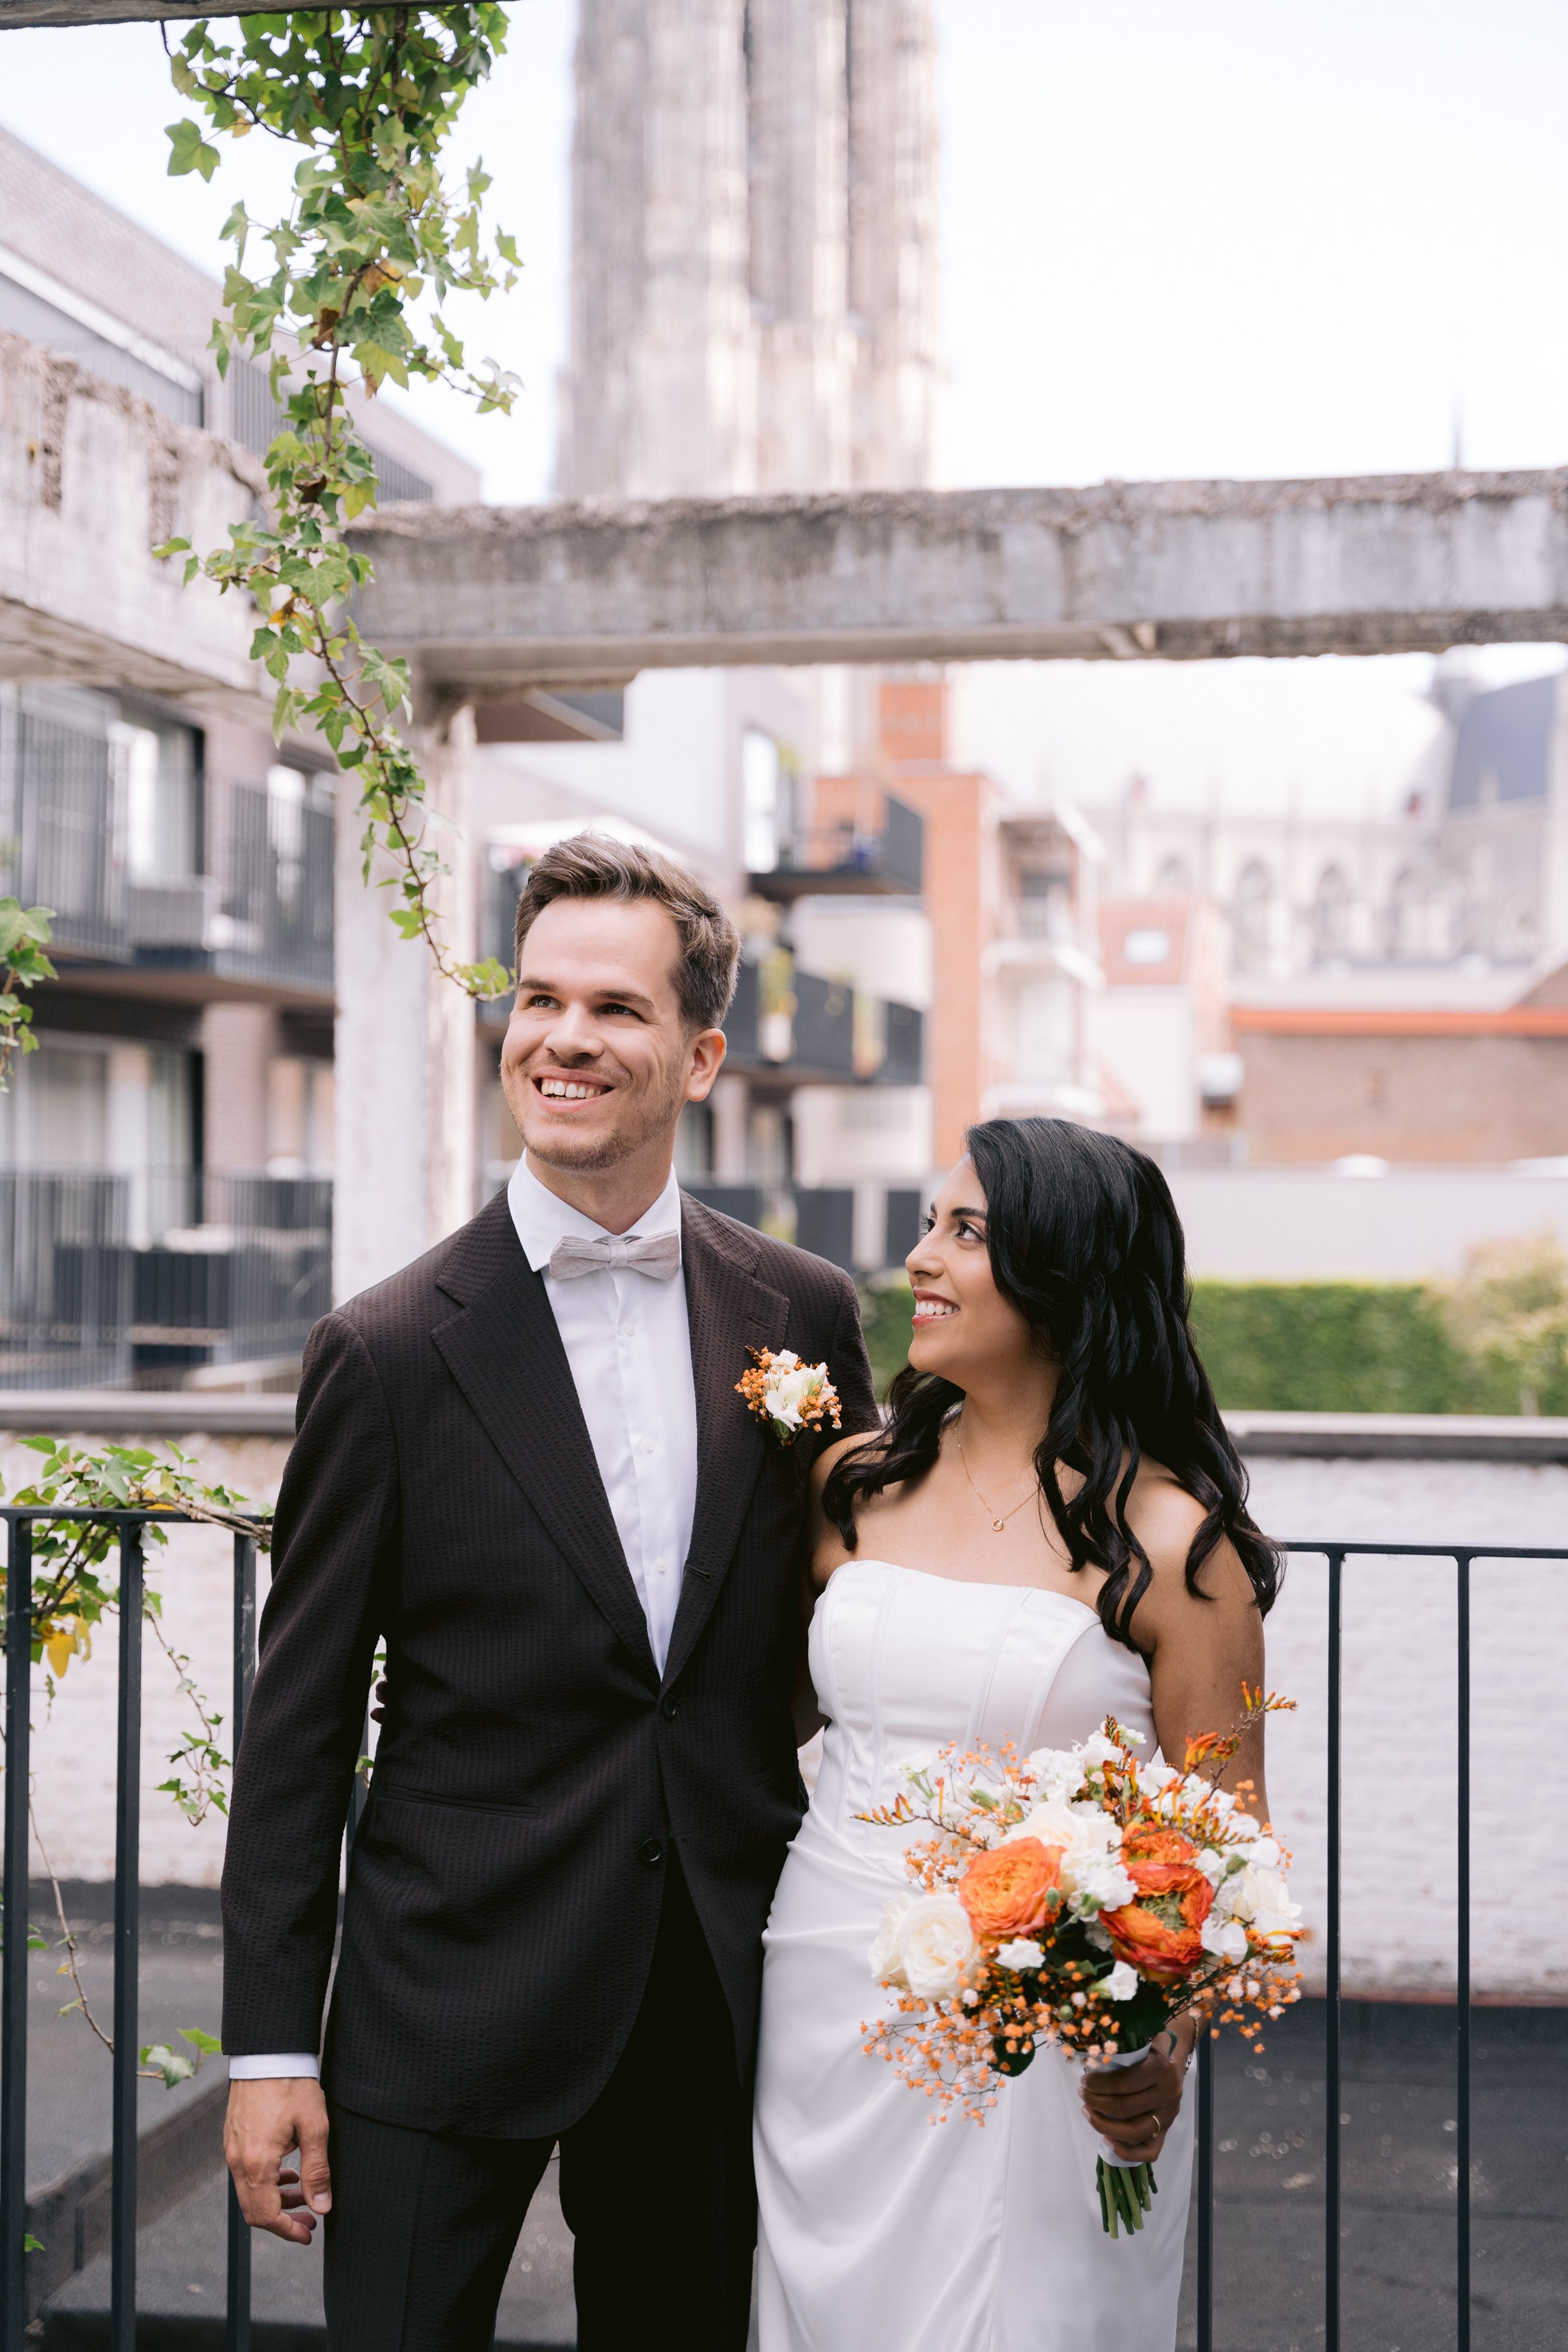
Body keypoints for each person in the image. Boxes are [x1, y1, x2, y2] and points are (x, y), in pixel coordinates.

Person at [219, 833, 879, 2352]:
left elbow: (848, 1616)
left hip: (711, 1994)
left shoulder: (806, 1313)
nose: (565, 1037)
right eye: (539, 998)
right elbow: (299, 1726)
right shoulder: (383, 1351)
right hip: (442, 1995)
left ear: (702, 1053)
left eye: (617, 1008)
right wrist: (268, 2048)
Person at [754, 1117, 1281, 2352]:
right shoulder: (849, 1484)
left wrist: (1158, 2038)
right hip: (824, 1988)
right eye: (930, 1223)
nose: (919, 1258)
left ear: (1067, 1274)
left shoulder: (1176, 1547)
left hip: (1041, 2036)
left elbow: (1235, 1853)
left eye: (966, 1231)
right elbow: (745, 1721)